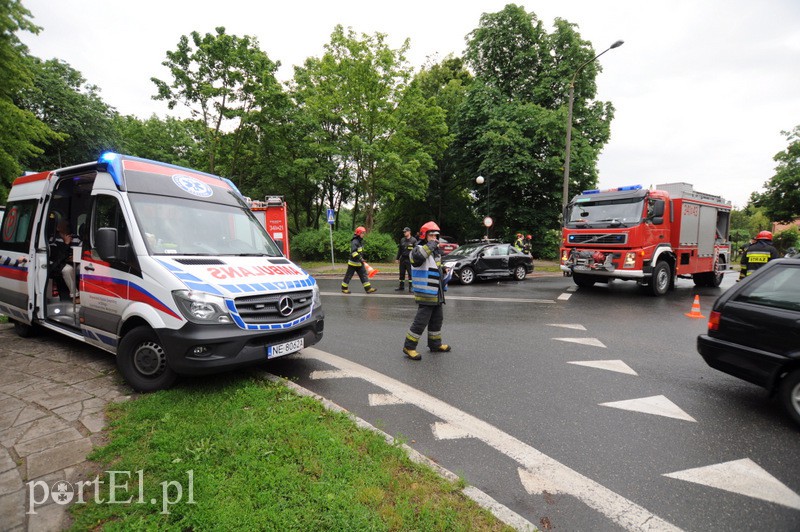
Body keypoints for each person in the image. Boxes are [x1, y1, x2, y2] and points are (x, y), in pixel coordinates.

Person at [402, 221, 451, 360]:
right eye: (432, 235)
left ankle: (435, 344)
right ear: (424, 235)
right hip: (426, 293)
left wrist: (444, 269)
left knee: (437, 320)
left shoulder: (434, 252)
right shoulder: (417, 249)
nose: (435, 238)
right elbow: (418, 258)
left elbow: (434, 266)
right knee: (421, 321)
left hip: (436, 293)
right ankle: (409, 346)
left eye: (436, 235)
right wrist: (431, 244)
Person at [50, 219, 82, 301]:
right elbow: (57, 256)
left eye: (67, 225)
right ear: (58, 228)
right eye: (64, 225)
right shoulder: (53, 239)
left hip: (75, 262)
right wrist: (66, 244)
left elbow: (80, 252)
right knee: (68, 270)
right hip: (60, 264)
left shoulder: (76, 238)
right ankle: (75, 295)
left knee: (86, 268)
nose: (67, 226)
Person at [341, 226, 377, 294]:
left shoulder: (360, 241)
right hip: (353, 263)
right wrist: (360, 259)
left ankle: (368, 289)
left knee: (364, 275)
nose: (363, 234)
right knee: (348, 276)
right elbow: (354, 253)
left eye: (364, 233)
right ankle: (344, 288)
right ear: (358, 233)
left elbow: (360, 252)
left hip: (359, 263)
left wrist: (361, 259)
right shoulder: (354, 242)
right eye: (362, 233)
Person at [394, 226, 417, 292]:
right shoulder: (402, 240)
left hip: (409, 259)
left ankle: (411, 287)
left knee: (410, 273)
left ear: (409, 232)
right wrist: (397, 258)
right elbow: (400, 250)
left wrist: (415, 259)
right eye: (404, 232)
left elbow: (416, 250)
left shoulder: (413, 240)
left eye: (405, 231)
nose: (404, 233)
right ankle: (401, 286)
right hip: (403, 259)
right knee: (401, 273)